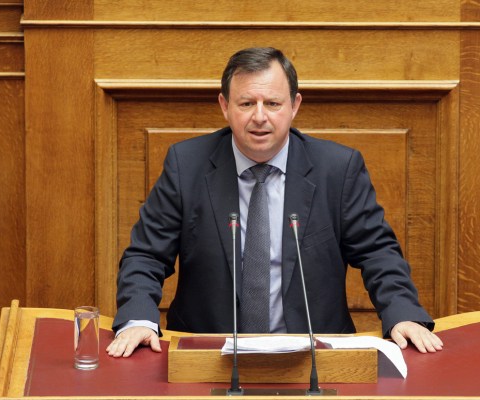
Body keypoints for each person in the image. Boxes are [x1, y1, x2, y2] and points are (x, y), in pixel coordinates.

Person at [107, 47, 443, 358]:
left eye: (272, 103)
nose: (259, 117)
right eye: (246, 103)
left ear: (294, 106)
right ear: (224, 106)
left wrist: (401, 313)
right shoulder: (187, 164)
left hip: (315, 356)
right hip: (207, 354)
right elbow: (147, 255)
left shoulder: (337, 169)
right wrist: (139, 319)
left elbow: (377, 252)